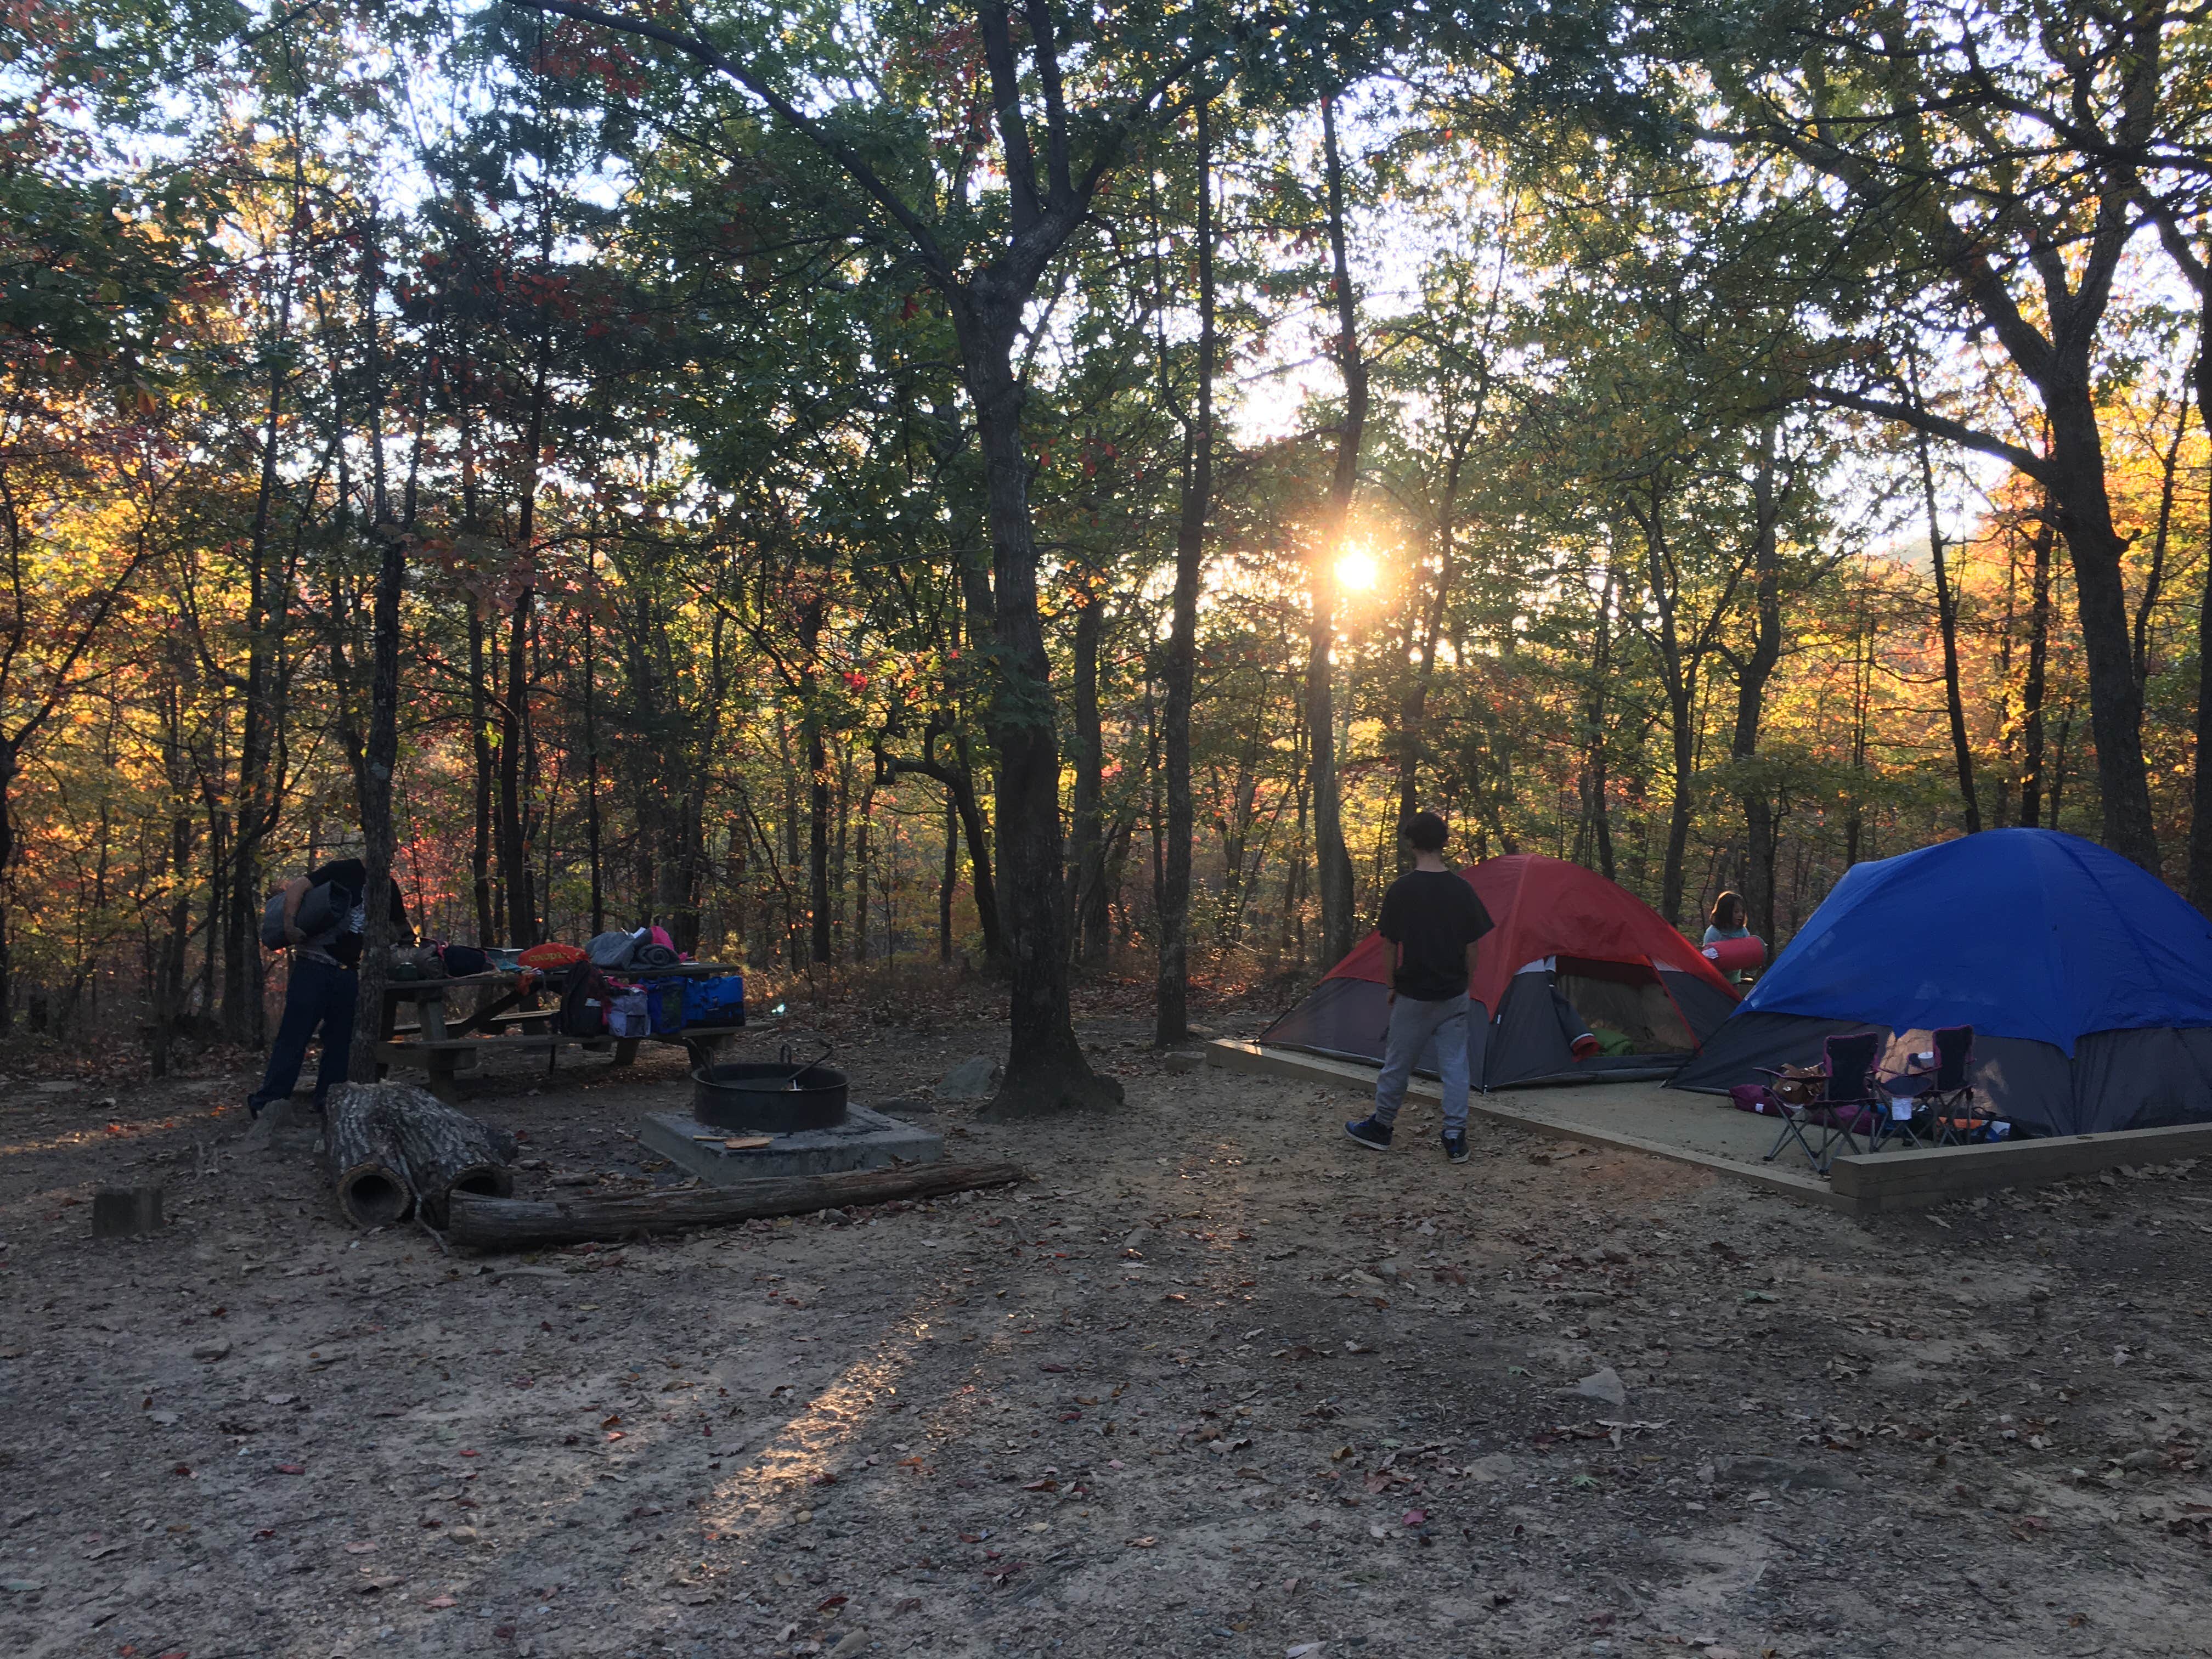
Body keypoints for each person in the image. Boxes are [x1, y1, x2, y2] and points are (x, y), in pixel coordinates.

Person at [1345, 811, 1494, 1162]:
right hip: (1453, 993)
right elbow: (1473, 946)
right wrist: (1466, 986)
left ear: (1411, 843)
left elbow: (1389, 944)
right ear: (1445, 843)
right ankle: (1455, 1136)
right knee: (1456, 1066)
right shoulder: (1462, 890)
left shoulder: (1402, 890)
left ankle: (1381, 1127)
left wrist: (1391, 985)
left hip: (1413, 993)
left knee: (1398, 1063)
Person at [246, 854, 413, 1119]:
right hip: (313, 964)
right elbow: (298, 887)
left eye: (393, 849)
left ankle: (328, 1101)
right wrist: (290, 925)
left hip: (348, 971)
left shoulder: (388, 886)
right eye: (387, 848)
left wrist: (413, 947)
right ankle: (269, 1102)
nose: (390, 855)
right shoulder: (343, 870)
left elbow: (401, 925)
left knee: (341, 1041)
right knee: (295, 1036)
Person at [1704, 890, 1752, 986]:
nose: (1741, 915)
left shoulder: (1742, 932)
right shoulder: (1713, 933)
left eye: (1742, 912)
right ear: (1726, 912)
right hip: (1715, 981)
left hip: (1734, 981)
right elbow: (1708, 958)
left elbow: (1749, 952)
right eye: (1736, 912)